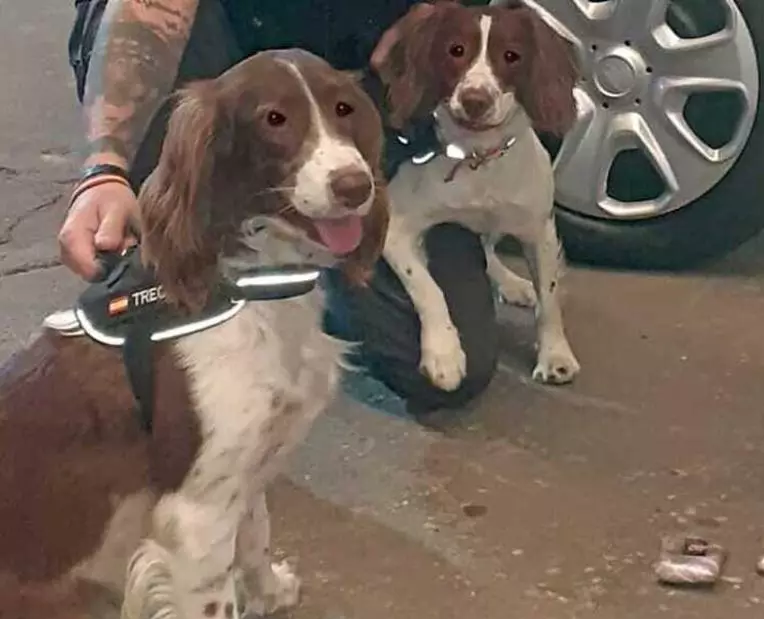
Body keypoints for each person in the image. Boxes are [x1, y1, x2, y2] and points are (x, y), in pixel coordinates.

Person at [63, 0, 499, 413]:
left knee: (450, 365)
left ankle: (308, 278)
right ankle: (175, 260)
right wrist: (107, 169)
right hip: (212, 59)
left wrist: (435, 15)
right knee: (180, 345)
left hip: (346, 79)